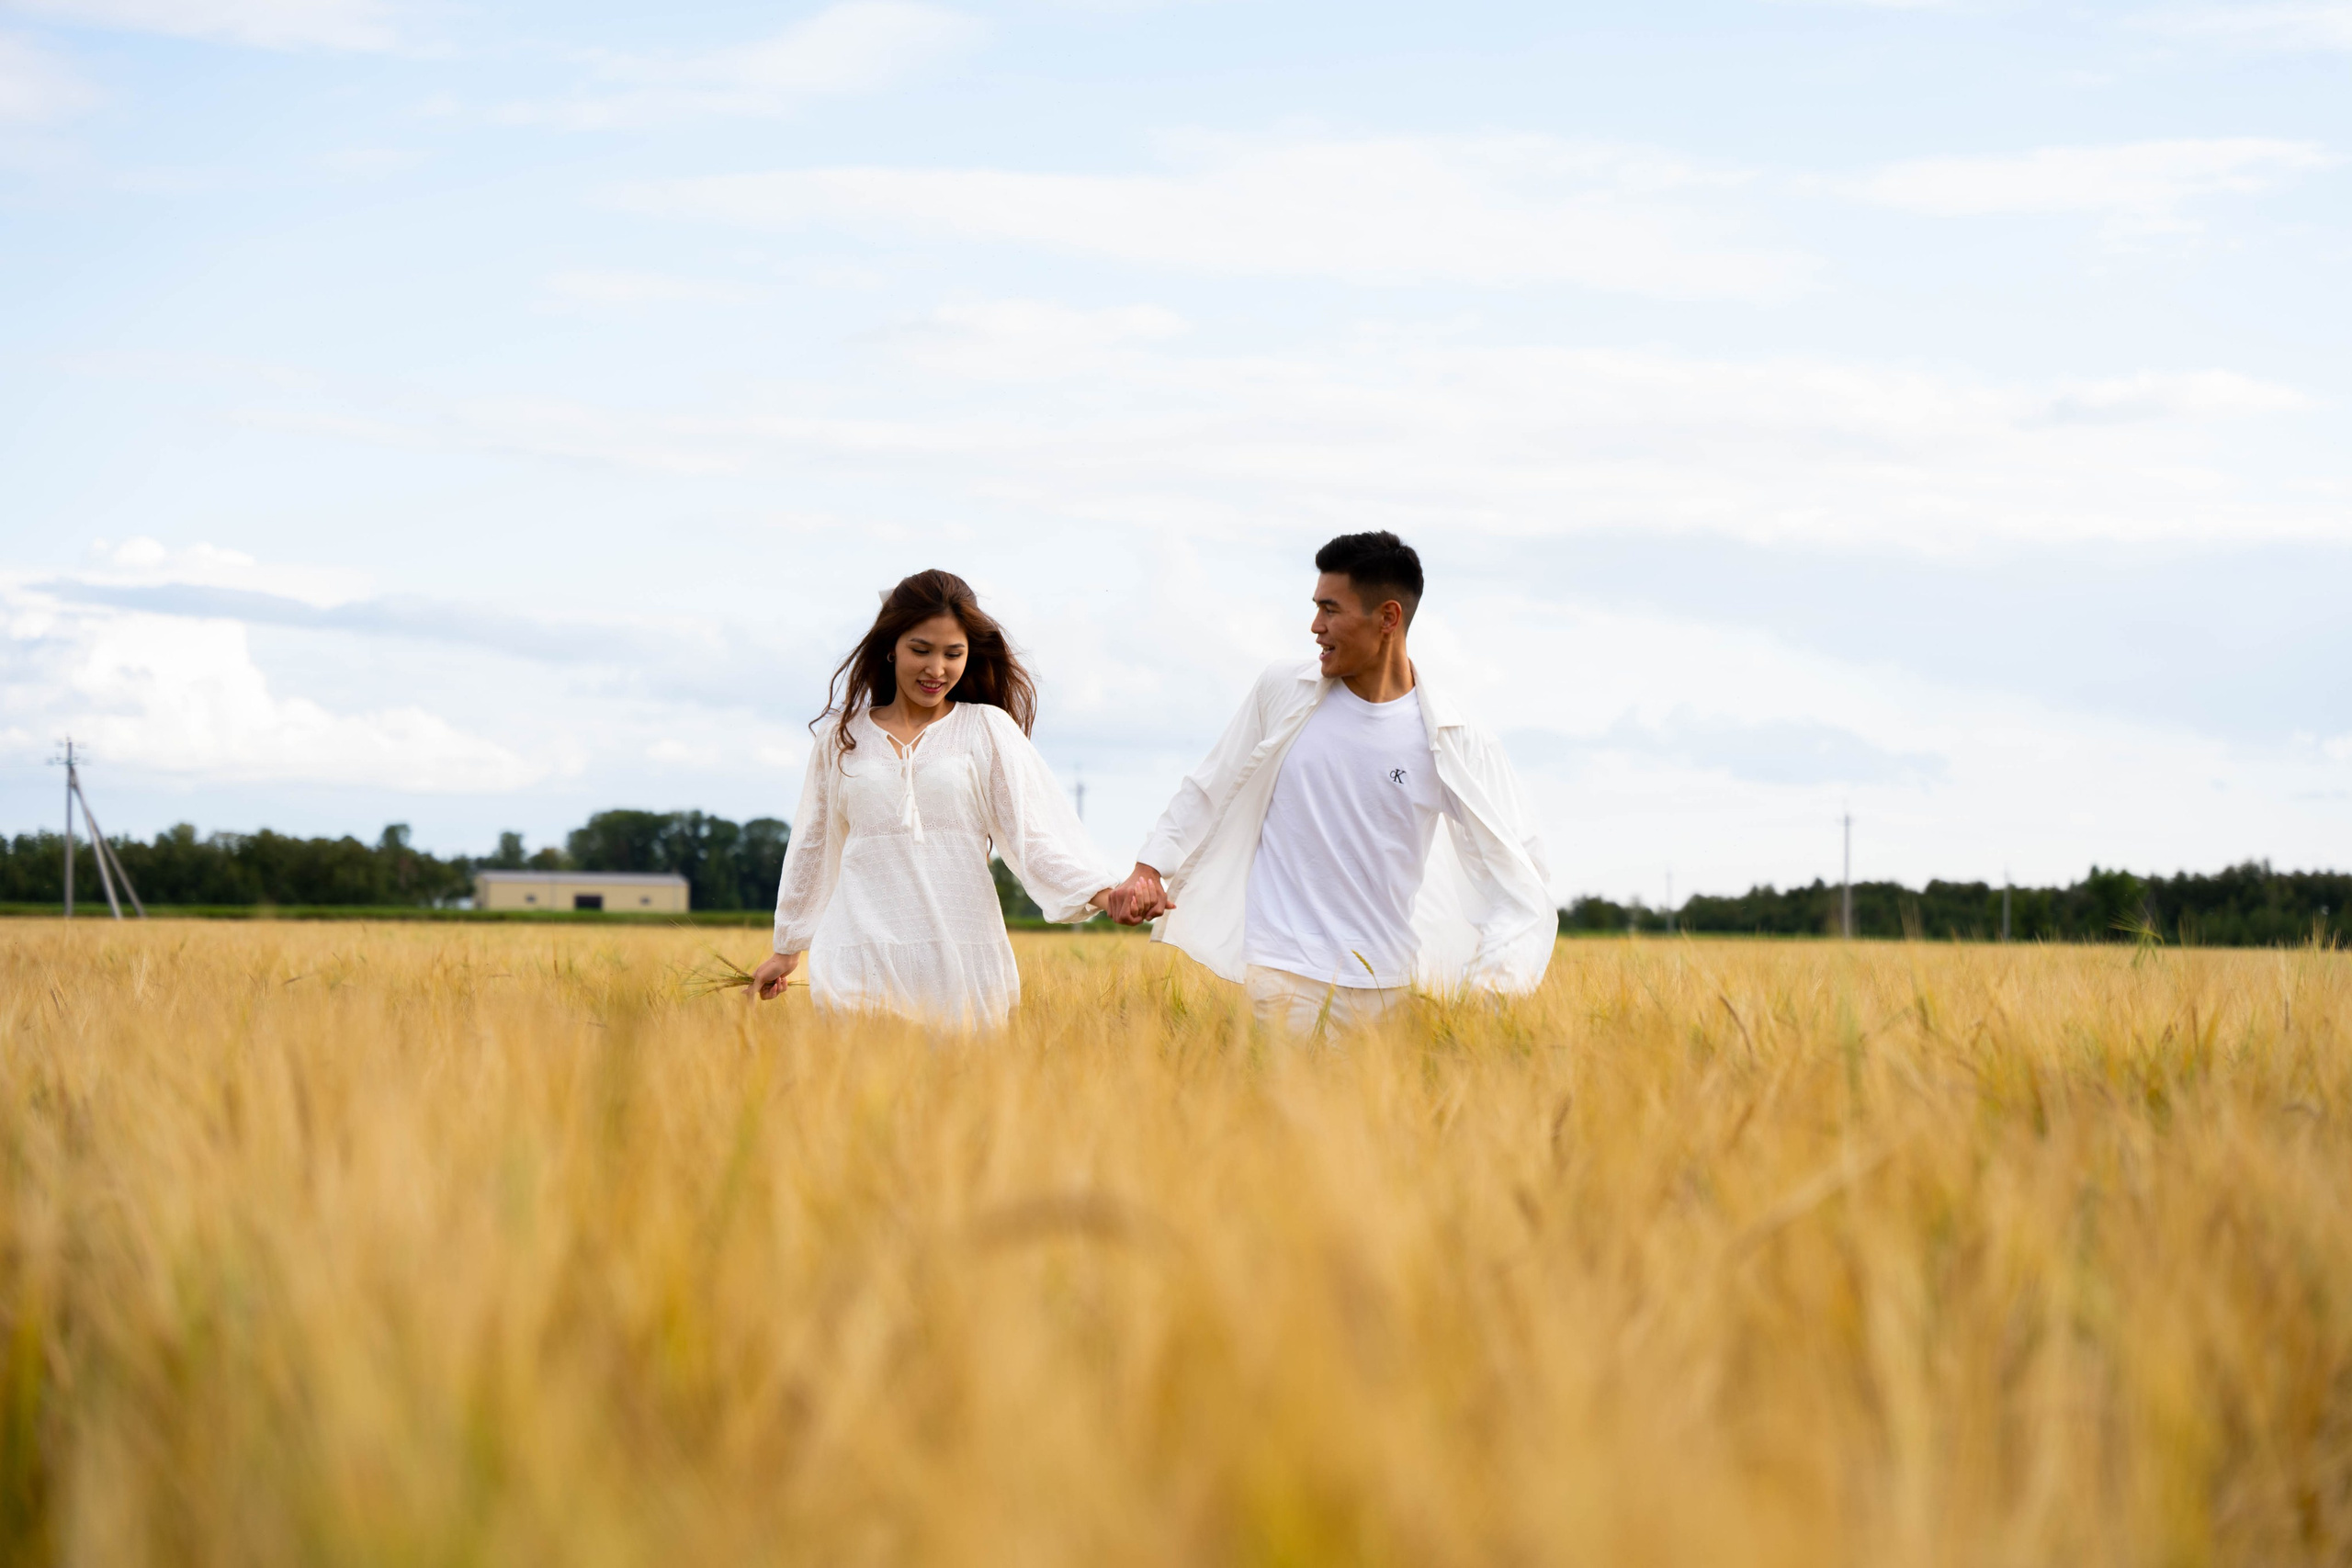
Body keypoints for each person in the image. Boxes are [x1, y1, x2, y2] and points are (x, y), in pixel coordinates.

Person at [1104, 532, 1553, 1034]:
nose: (1315, 626)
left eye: (1330, 609)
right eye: (1317, 608)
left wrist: (1492, 992)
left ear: (1388, 618)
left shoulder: (1456, 737)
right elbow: (1209, 787)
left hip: (1391, 987)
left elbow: (1519, 871)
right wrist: (1148, 869)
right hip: (1284, 974)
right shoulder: (1282, 690)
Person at [750, 570, 1114, 1029]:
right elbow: (813, 845)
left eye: (953, 654)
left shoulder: (985, 729)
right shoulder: (842, 738)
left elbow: (1033, 838)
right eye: (920, 650)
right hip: (858, 952)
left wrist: (1107, 894)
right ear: (891, 647)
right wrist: (787, 948)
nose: (936, 669)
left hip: (961, 957)